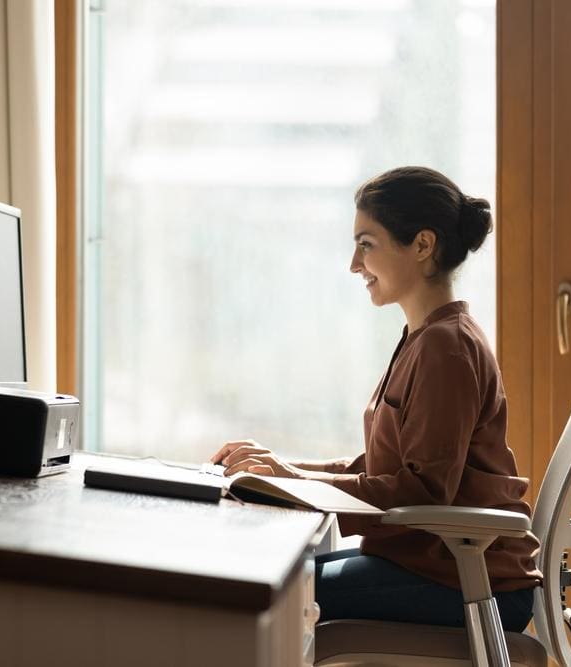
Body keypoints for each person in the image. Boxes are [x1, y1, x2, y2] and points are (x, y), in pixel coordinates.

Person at [210, 166, 542, 631]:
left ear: (423, 246)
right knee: (265, 577)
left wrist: (291, 481)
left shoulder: (446, 348)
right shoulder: (425, 337)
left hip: (467, 583)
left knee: (260, 595)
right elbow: (383, 469)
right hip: (438, 571)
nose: (353, 264)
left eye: (367, 244)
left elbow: (421, 491)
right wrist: (284, 472)